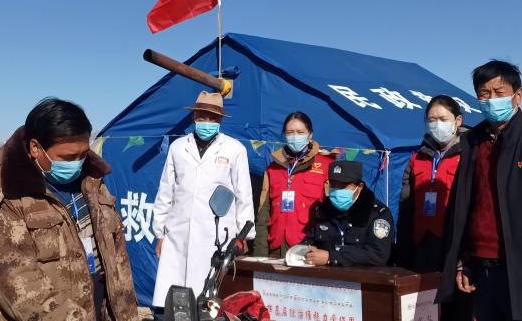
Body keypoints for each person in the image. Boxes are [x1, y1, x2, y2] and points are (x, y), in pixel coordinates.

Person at [0, 98, 138, 320]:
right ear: (36, 148)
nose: (77, 164)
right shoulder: (3, 197)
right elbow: (22, 291)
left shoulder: (91, 179)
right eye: (67, 158)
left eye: (83, 154)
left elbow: (118, 260)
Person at [152, 91, 255, 308]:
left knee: (209, 294)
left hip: (217, 233)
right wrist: (160, 232)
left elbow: (243, 194)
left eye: (213, 118)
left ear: (220, 121)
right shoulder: (178, 147)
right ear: (194, 117)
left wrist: (244, 234)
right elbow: (166, 191)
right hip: (178, 230)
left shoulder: (235, 149)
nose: (207, 122)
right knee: (174, 293)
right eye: (202, 117)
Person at [436, 60, 522, 321]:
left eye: (499, 92)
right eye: (484, 94)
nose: (492, 100)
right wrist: (463, 260)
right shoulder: (473, 141)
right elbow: (463, 204)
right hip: (482, 264)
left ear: (518, 95)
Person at [396, 95, 465, 272]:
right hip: (421, 241)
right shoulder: (418, 157)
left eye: (443, 119)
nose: (438, 125)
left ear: (457, 121)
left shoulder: (468, 155)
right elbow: (406, 205)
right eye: (432, 120)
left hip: (453, 244)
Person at [253, 112, 334, 257]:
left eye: (300, 132)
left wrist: (325, 253)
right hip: (275, 248)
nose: (295, 137)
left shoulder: (325, 166)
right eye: (290, 132)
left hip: (308, 251)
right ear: (284, 135)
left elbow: (332, 214)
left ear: (310, 134)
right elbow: (263, 213)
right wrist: (260, 252)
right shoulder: (273, 168)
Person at [304, 160, 393, 267]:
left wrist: (331, 257)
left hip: (364, 276)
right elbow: (309, 241)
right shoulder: (324, 210)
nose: (337, 190)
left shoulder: (377, 214)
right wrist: (303, 251)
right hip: (325, 275)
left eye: (344, 185)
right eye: (333, 184)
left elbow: (378, 255)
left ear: (359, 187)